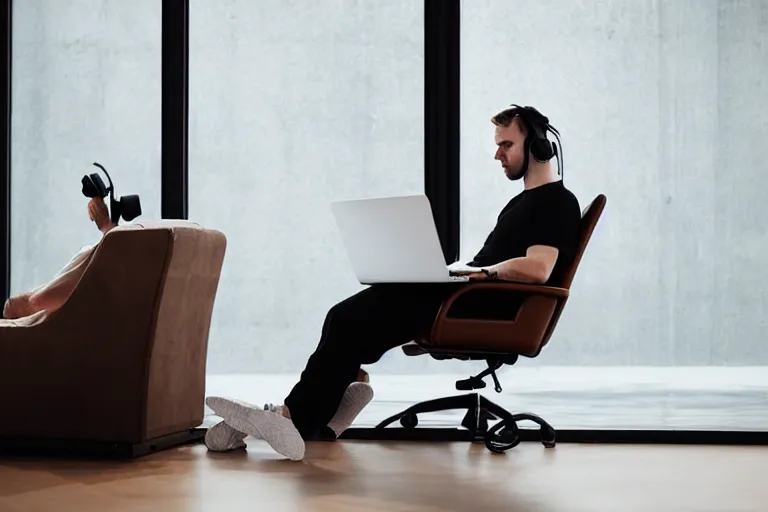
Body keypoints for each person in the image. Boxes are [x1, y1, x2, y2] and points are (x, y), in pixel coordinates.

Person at [205, 105, 583, 461]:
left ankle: (291, 418)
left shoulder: (556, 202)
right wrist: (458, 269)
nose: (498, 155)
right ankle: (319, 418)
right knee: (351, 323)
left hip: (480, 302)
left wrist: (481, 272)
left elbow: (539, 268)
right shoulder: (526, 203)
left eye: (506, 144)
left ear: (537, 146)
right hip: (468, 292)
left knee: (345, 319)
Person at [2, 197, 116, 322]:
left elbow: (39, 301)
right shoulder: (41, 301)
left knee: (12, 307)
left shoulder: (40, 300)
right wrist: (107, 228)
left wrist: (107, 228)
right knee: (13, 307)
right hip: (110, 263)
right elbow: (40, 301)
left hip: (110, 259)